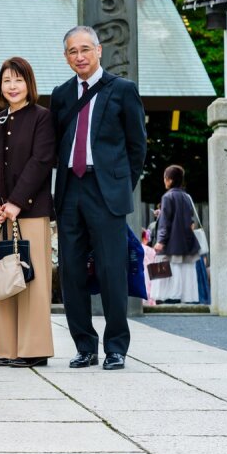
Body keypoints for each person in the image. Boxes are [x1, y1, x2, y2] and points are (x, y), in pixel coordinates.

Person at [51, 25, 147, 371]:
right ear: (66, 56)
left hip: (106, 190)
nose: (80, 56)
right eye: (72, 51)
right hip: (69, 190)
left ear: (99, 50)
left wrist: (120, 186)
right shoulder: (61, 94)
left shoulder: (122, 90)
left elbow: (137, 147)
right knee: (72, 271)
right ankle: (84, 346)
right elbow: (55, 144)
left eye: (85, 49)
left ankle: (116, 347)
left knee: (111, 270)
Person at [0, 56, 55, 368]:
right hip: (0, 216)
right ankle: (8, 348)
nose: (12, 86)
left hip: (30, 212)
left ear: (29, 84)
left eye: (18, 80)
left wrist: (17, 201)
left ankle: (34, 349)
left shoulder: (42, 117)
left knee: (32, 280)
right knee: (4, 278)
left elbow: (41, 161)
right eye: (7, 80)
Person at [152, 165, 201, 304]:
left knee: (166, 268)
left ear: (170, 179)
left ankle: (166, 298)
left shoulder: (167, 196)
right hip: (186, 242)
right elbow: (188, 219)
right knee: (183, 270)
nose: (164, 180)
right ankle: (183, 297)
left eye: (165, 177)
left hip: (171, 243)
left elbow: (165, 222)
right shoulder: (186, 196)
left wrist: (160, 240)